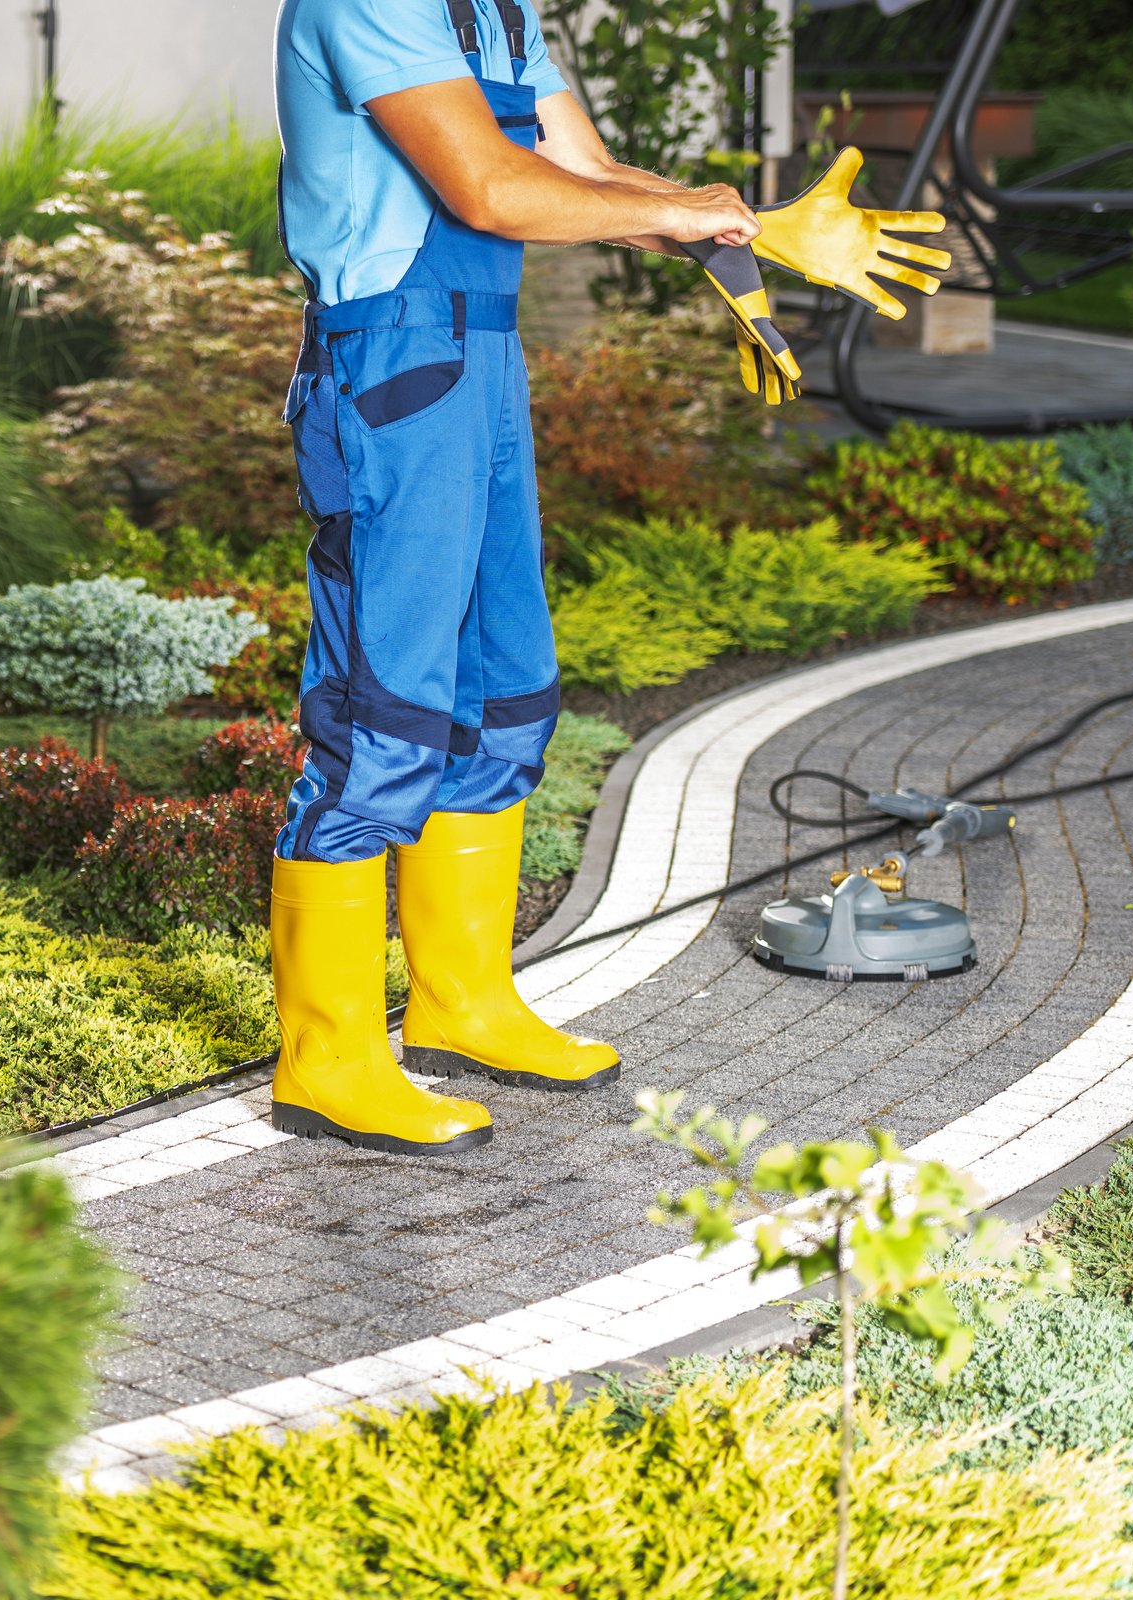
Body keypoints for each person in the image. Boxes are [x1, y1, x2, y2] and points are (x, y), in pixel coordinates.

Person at [266, 0, 770, 1155]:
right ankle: (329, 1054)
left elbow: (579, 171)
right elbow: (490, 190)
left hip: (482, 355)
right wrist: (683, 214)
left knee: (504, 689)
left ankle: (462, 1001)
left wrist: (751, 232)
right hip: (390, 359)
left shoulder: (495, 10)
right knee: (380, 708)